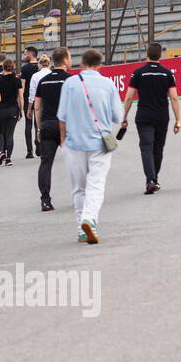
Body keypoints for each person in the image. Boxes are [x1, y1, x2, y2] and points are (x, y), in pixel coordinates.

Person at [57, 49, 123, 245]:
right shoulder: (108, 84)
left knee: (78, 188)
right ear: (100, 65)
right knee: (96, 184)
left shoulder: (70, 83)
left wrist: (63, 141)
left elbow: (61, 116)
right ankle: (89, 219)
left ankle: (81, 228)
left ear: (82, 64)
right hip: (99, 143)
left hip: (74, 142)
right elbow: (117, 117)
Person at [121, 42, 181, 195]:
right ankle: (154, 179)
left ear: (147, 54)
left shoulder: (138, 73)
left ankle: (151, 180)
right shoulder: (167, 73)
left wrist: (124, 116)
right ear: (160, 55)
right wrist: (178, 120)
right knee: (158, 149)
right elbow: (174, 98)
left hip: (144, 116)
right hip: (162, 116)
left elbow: (129, 98)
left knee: (146, 148)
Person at [31, 48, 71, 211]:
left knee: (46, 163)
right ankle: (80, 196)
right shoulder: (71, 80)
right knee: (76, 162)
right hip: (67, 126)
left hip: (47, 125)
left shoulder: (44, 81)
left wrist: (39, 129)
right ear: (66, 60)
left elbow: (37, 107)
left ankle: (45, 200)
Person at [0, 59, 24, 166]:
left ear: (3, 68)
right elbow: (20, 97)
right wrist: (21, 110)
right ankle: (8, 158)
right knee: (10, 134)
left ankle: (1, 151)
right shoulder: (17, 80)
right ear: (13, 67)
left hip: (1, 109)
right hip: (13, 109)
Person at [19, 47, 40, 158]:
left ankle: (29, 151)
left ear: (30, 54)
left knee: (28, 125)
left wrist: (21, 101)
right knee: (38, 124)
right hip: (39, 99)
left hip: (28, 99)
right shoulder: (40, 67)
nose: (24, 55)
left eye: (25, 53)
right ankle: (38, 143)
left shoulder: (25, 68)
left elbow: (22, 86)